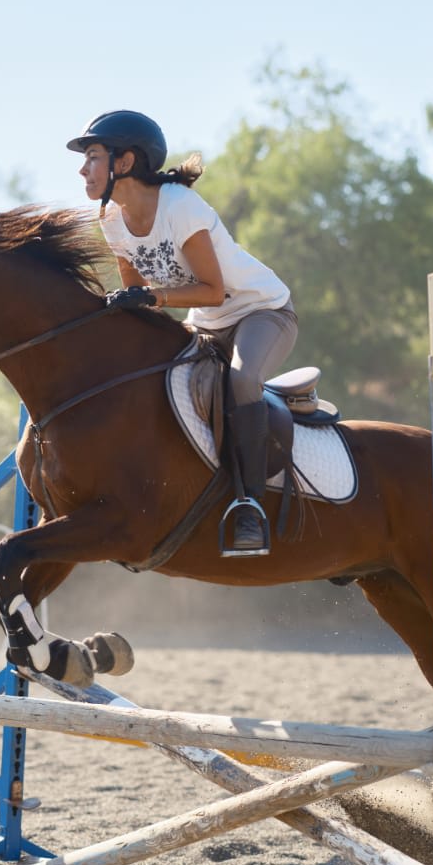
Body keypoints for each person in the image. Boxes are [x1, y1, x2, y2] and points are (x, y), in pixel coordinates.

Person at [68, 109, 297, 556]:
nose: (82, 169)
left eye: (92, 156)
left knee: (244, 380)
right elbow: (137, 298)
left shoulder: (179, 206)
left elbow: (212, 291)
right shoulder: (111, 219)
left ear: (126, 161)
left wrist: (149, 298)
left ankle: (250, 506)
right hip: (206, 323)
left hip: (261, 311)